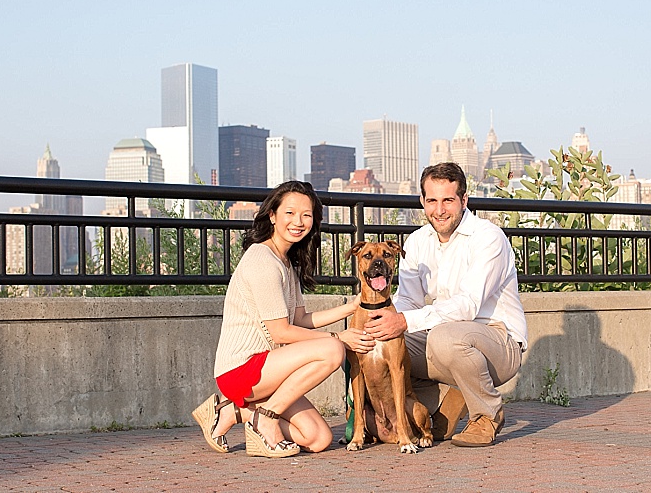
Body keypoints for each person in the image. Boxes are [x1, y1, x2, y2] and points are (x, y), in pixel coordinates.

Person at [192, 180, 374, 458]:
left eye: (306, 215)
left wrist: (350, 308)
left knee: (317, 438)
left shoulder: (287, 262)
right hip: (241, 371)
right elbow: (281, 333)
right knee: (333, 349)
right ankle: (266, 418)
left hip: (269, 369)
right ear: (272, 216)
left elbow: (299, 319)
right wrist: (340, 338)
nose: (298, 222)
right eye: (289, 213)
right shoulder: (263, 260)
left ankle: (233, 411)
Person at [364, 162, 527, 447]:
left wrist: (404, 322)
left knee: (444, 337)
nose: (440, 210)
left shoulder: (488, 238)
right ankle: (437, 404)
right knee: (370, 342)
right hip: (447, 339)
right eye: (432, 201)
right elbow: (408, 302)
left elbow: (468, 305)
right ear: (422, 202)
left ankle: (487, 415)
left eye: (448, 200)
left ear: (464, 200)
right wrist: (381, 327)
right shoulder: (417, 242)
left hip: (498, 341)